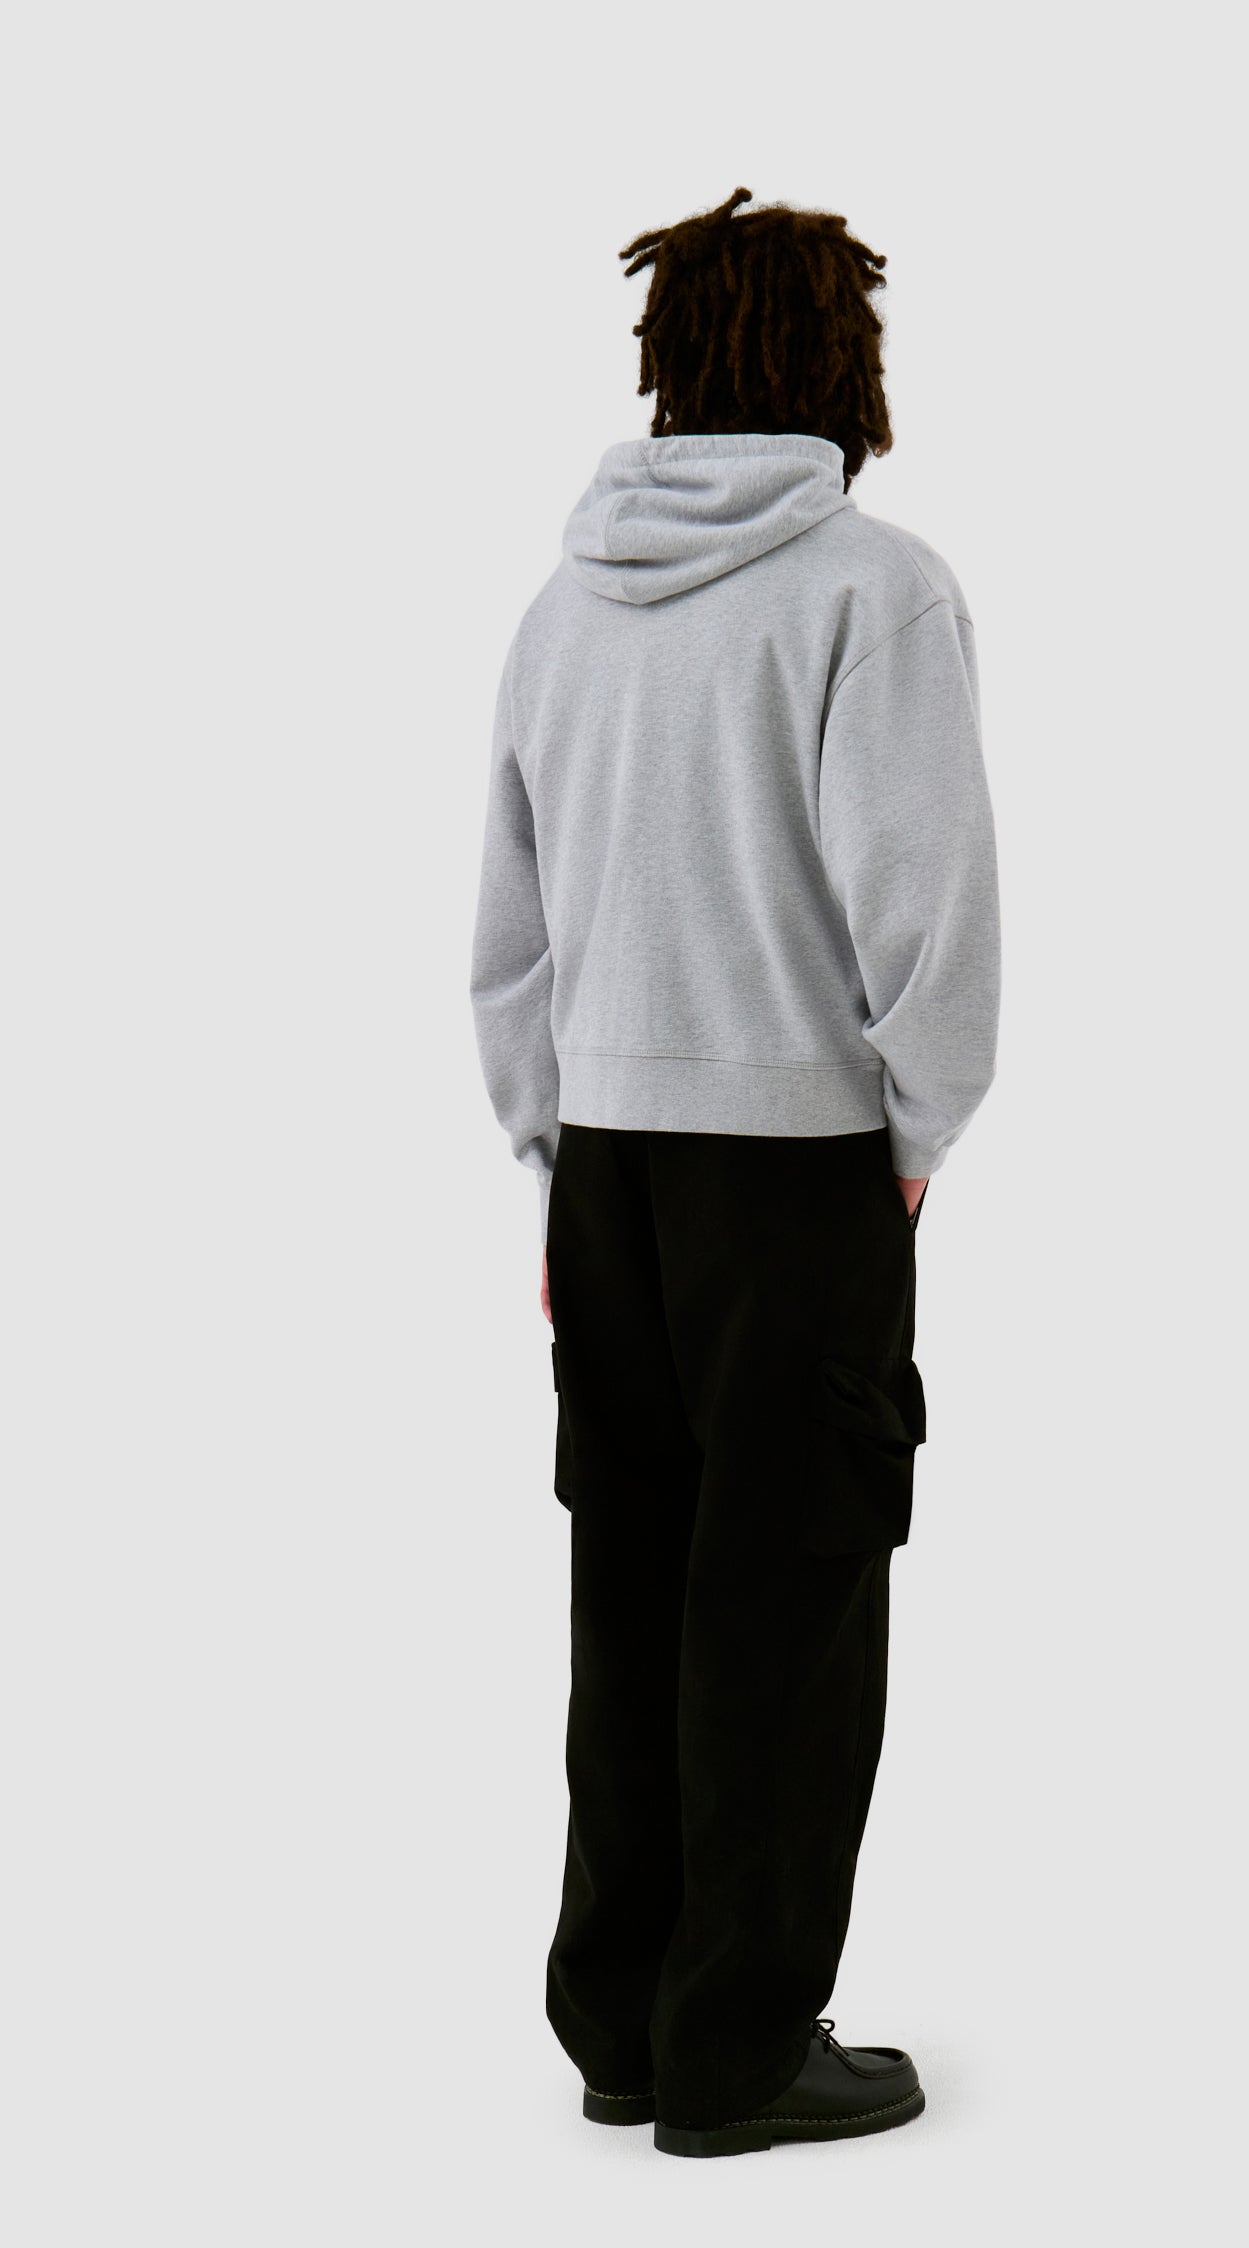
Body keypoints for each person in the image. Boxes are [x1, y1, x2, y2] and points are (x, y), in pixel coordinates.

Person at [469, 185, 1001, 2159]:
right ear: (840, 360)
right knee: (787, 1596)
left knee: (632, 1575)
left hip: (607, 1166)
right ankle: (743, 2047)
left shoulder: (563, 605)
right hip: (797, 1169)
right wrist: (916, 1131)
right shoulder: (874, 589)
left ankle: (624, 2021)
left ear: (673, 361)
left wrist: (550, 1146)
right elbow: (928, 902)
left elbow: (510, 924)